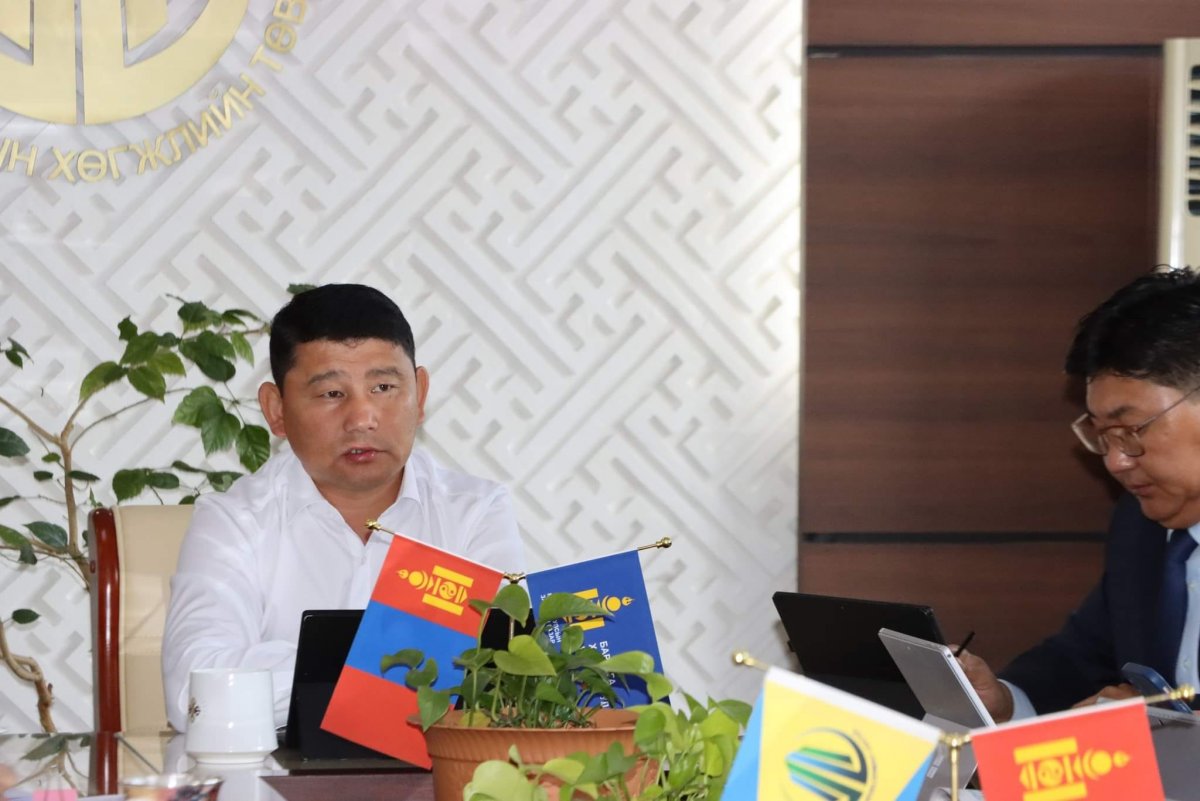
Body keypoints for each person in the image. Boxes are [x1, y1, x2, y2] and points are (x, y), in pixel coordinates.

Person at [161, 284, 525, 732]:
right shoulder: (232, 521)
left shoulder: (475, 513)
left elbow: (510, 678)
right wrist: (406, 659)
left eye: (384, 387)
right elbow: (195, 695)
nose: (362, 418)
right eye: (332, 393)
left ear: (420, 394)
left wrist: (314, 670)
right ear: (276, 410)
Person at [960, 269, 1200, 721]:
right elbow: (1082, 658)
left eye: (1131, 430)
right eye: (1103, 436)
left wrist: (1176, 730)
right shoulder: (1140, 526)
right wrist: (1003, 702)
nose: (1115, 462)